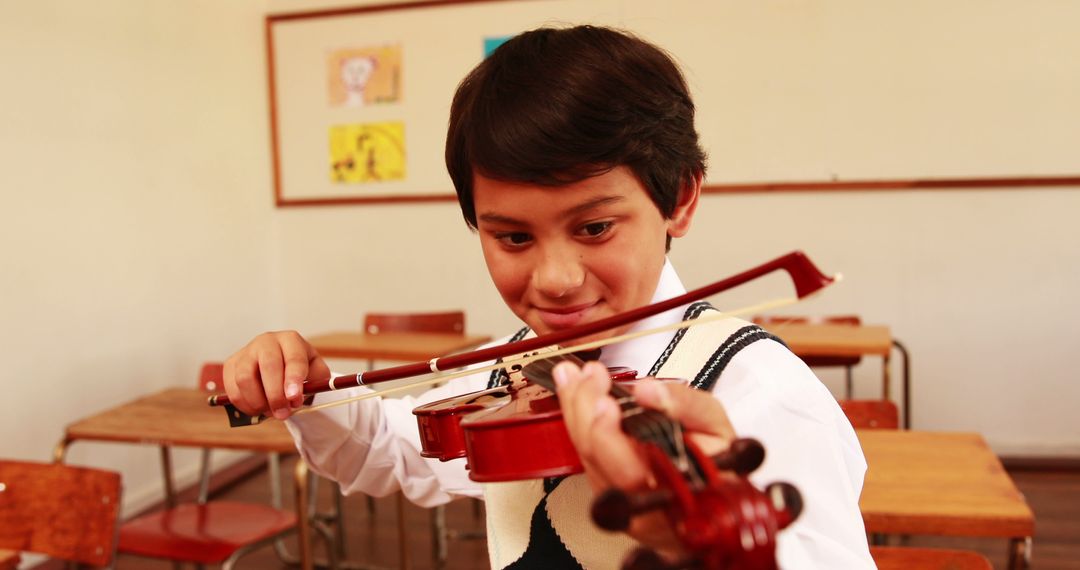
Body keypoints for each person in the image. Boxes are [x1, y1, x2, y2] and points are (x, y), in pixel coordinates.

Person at [223, 25, 873, 569]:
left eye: (594, 227)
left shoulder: (765, 395)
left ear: (679, 198)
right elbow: (395, 450)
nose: (556, 279)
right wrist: (311, 391)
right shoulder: (513, 368)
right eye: (512, 237)